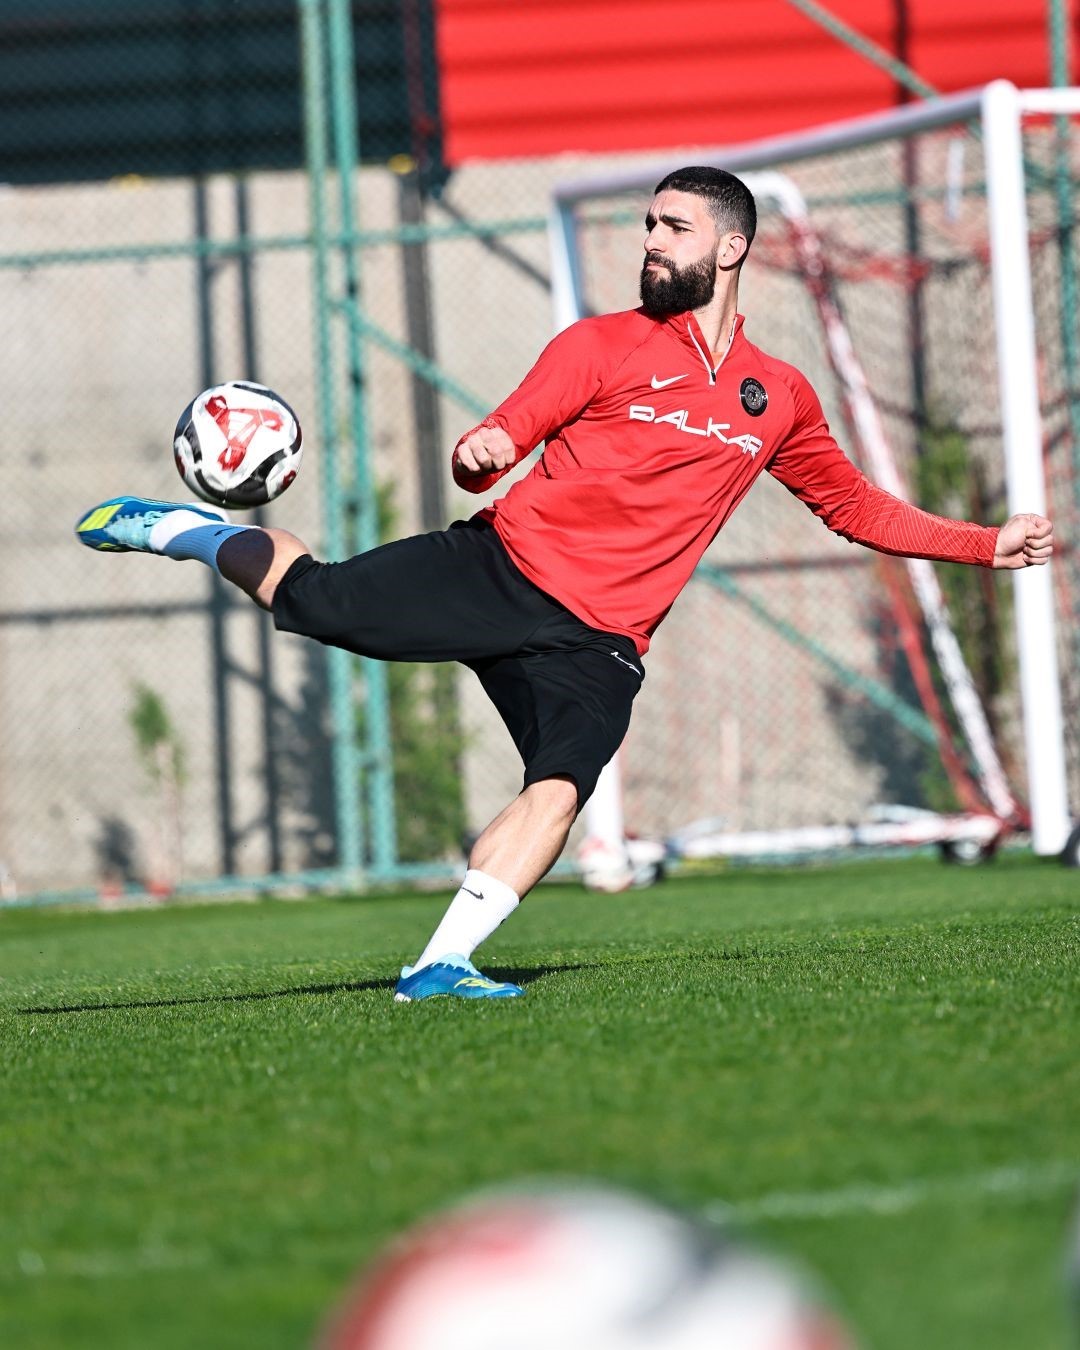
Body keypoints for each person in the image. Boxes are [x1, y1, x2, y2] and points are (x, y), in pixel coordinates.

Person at [75, 166, 1054, 1002]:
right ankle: (185, 531)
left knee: (560, 784)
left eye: (675, 226)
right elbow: (500, 438)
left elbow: (851, 506)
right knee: (317, 602)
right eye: (648, 226)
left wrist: (986, 545)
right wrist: (485, 447)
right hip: (499, 569)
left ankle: (440, 964)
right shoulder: (600, 344)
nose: (653, 241)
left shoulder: (779, 396)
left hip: (602, 639)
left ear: (731, 248)